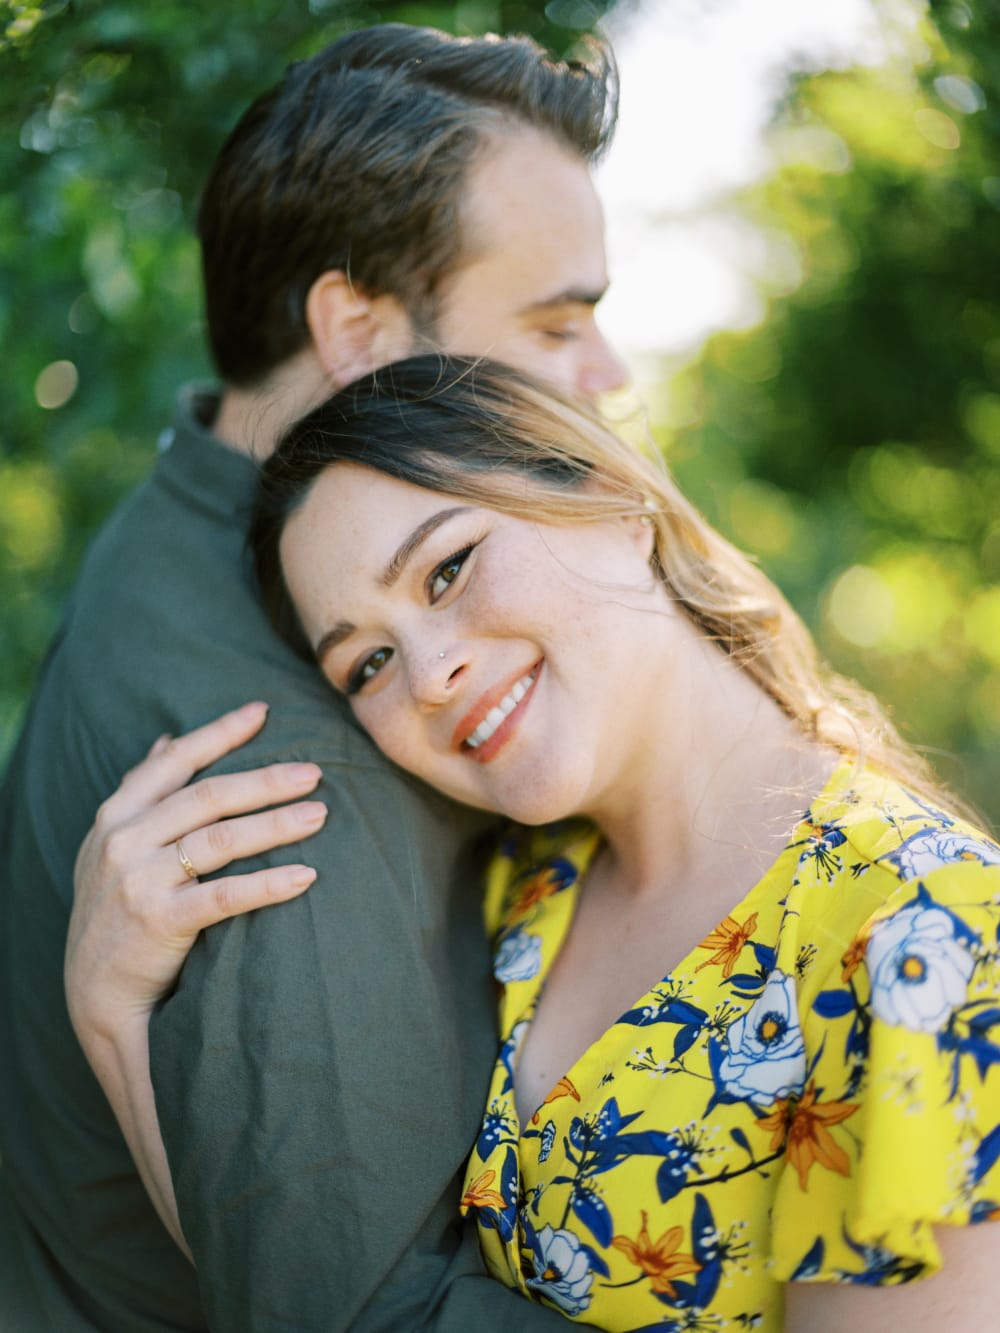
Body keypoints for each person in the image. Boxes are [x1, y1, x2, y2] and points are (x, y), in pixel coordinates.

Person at [68, 357, 1000, 1332]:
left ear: (613, 500)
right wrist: (114, 1018)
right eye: (369, 661)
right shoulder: (514, 889)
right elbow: (311, 1297)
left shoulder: (931, 937)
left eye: (448, 567)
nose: (429, 675)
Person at [0, 24, 628, 1332]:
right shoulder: (284, 772)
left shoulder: (186, 512)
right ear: (355, 329)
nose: (605, 374)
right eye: (555, 322)